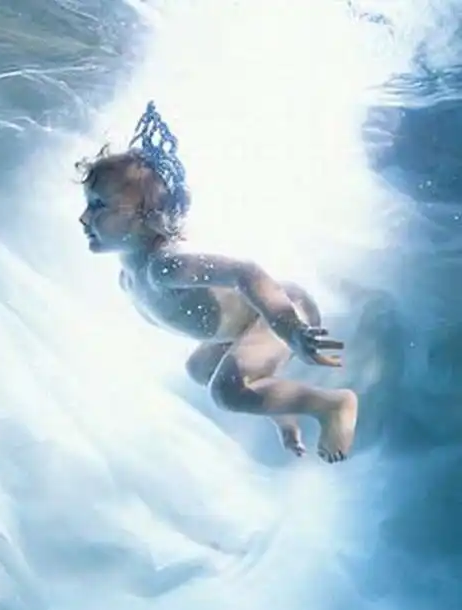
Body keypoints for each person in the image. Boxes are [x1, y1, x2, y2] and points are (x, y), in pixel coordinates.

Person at [77, 102, 358, 463]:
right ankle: (283, 409)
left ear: (146, 217)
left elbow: (246, 272)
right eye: (88, 203)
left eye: (99, 206)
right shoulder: (127, 279)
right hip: (244, 327)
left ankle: (333, 405)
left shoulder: (164, 266)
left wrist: (290, 329)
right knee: (199, 369)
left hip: (281, 310)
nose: (84, 217)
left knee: (226, 391)